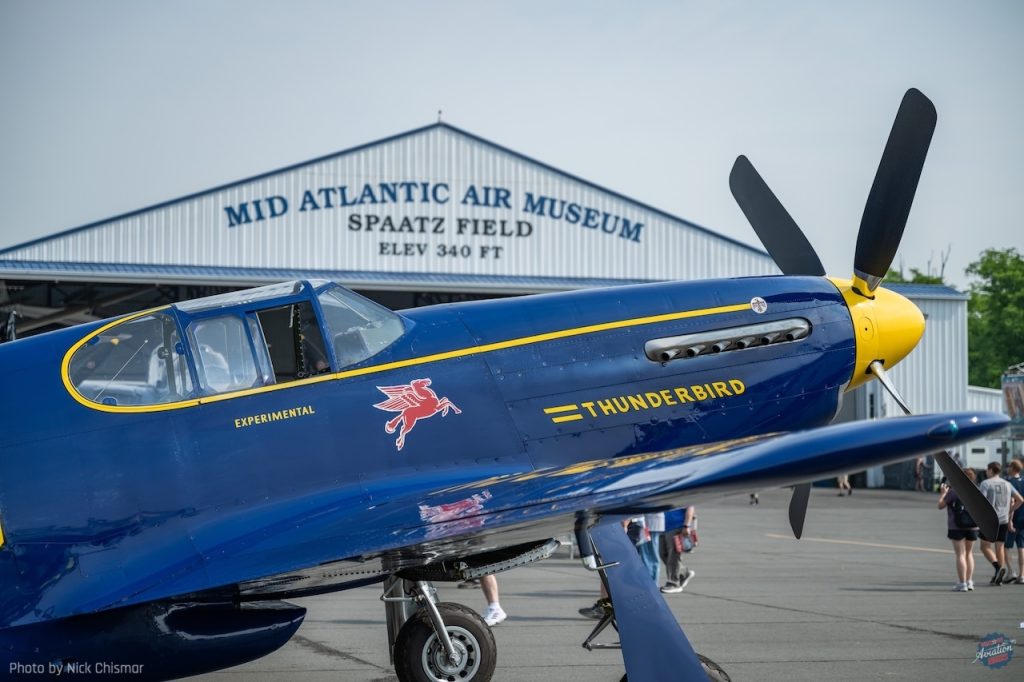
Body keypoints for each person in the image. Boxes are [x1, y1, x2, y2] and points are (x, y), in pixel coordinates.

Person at [978, 462, 1024, 585]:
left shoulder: (986, 483)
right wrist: (1009, 510)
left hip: (990, 520)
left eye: (987, 470)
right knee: (1000, 547)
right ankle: (999, 574)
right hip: (1003, 519)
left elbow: (981, 502)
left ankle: (998, 567)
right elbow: (1020, 500)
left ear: (991, 470)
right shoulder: (1007, 484)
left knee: (985, 546)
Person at [938, 469, 979, 591]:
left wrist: (943, 494)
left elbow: (940, 506)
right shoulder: (976, 490)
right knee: (969, 553)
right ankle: (969, 581)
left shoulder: (954, 491)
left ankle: (962, 583)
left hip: (956, 526)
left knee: (960, 554)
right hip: (973, 526)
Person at [659, 507, 696, 593]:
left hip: (676, 526)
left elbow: (690, 507)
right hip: (662, 526)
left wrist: (687, 525)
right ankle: (682, 573)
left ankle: (673, 582)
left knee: (673, 554)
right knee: (662, 553)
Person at [1003, 459, 1024, 584]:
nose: (1007, 468)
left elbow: (1012, 501)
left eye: (1009, 466)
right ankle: (1022, 575)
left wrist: (1009, 519)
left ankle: (1011, 571)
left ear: (1013, 468)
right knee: (1021, 546)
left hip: (1015, 518)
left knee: (1006, 546)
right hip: (1023, 517)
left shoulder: (1008, 482)